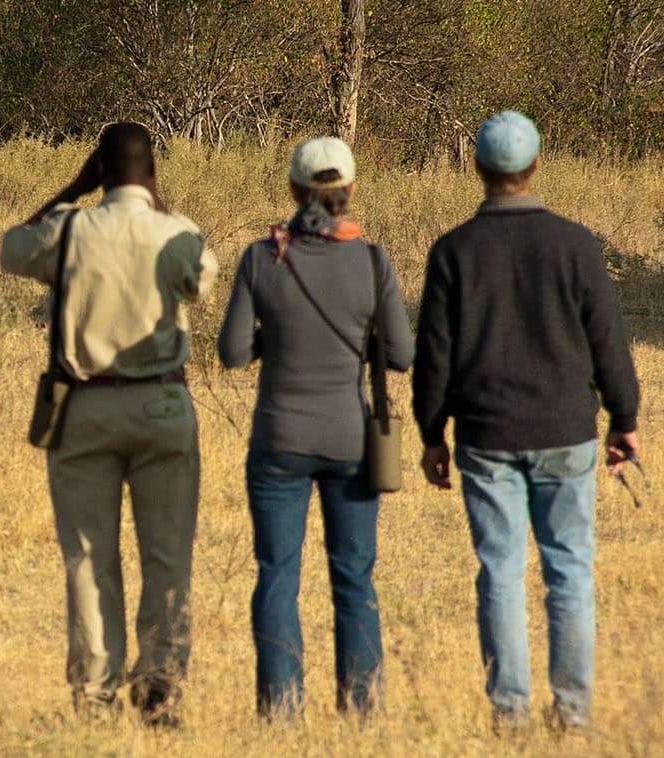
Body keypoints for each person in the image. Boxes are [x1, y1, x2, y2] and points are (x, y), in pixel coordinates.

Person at [412, 111, 641, 731]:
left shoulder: (453, 251)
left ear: (477, 168)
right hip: (567, 431)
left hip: (486, 436)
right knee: (568, 569)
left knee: (501, 571)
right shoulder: (576, 244)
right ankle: (573, 712)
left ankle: (509, 714)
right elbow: (608, 342)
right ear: (536, 165)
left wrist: (432, 433)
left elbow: (434, 353)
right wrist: (625, 416)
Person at [0, 122, 218, 726]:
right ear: (150, 171)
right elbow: (203, 276)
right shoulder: (177, 232)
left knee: (89, 562)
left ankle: (95, 697)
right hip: (163, 408)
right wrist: (158, 202)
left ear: (98, 168)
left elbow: (11, 249)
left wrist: (70, 191)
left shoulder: (70, 230)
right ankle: (160, 688)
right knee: (168, 556)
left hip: (85, 410)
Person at [218, 136, 414, 720]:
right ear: (349, 191)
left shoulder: (262, 257)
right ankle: (363, 709)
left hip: (278, 440)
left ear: (294, 190)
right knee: (354, 577)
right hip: (351, 441)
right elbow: (401, 355)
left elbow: (230, 352)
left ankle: (281, 711)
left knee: (277, 575)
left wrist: (270, 336)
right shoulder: (374, 261)